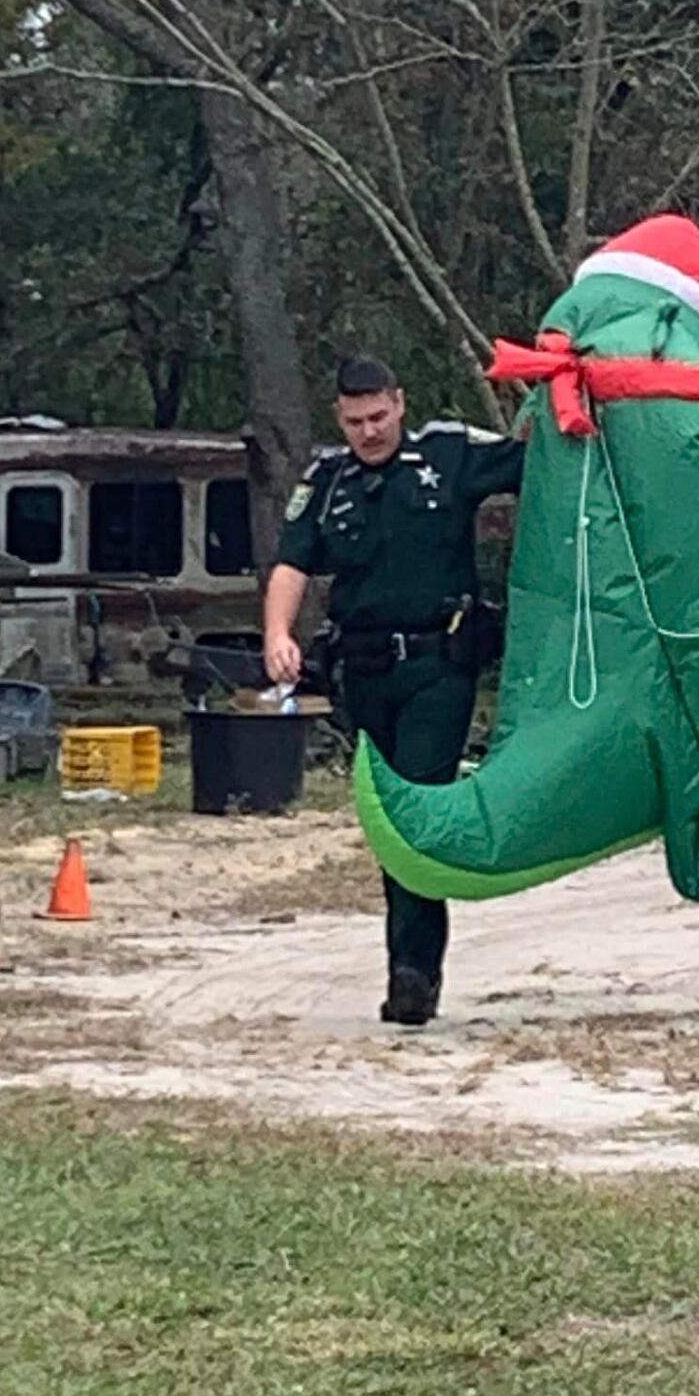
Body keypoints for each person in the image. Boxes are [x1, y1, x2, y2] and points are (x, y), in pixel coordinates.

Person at [264, 355, 524, 1026]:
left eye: (378, 416)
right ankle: (407, 966)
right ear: (339, 418)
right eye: (355, 421)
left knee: (415, 806)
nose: (369, 432)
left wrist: (579, 406)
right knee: (388, 819)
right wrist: (277, 634)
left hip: (439, 665)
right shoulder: (328, 480)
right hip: (365, 670)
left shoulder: (447, 454)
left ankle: (414, 971)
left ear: (400, 403)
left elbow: (536, 463)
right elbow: (293, 562)